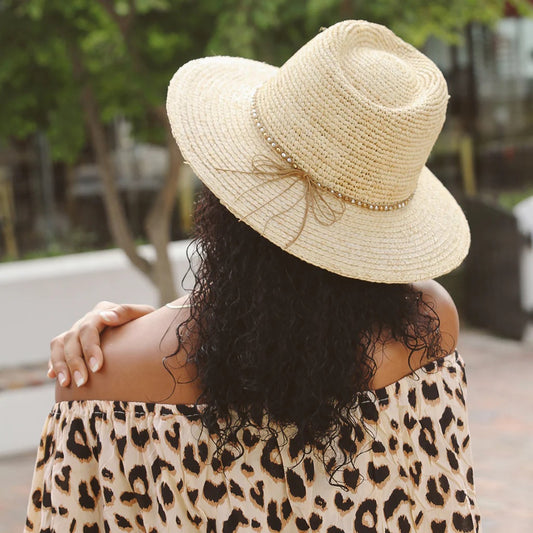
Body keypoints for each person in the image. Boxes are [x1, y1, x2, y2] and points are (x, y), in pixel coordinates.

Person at [26, 20, 480, 532]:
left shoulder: (100, 383)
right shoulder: (425, 332)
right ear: (384, 230)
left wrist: (139, 333)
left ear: (227, 197)